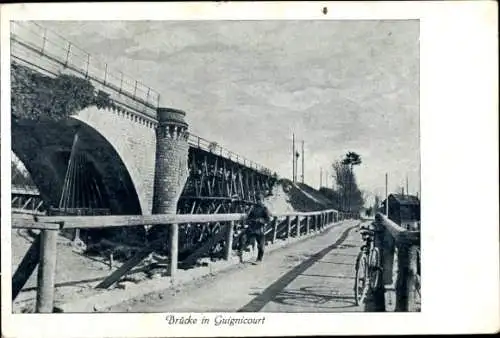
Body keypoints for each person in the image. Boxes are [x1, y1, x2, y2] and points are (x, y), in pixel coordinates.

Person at [238, 193, 271, 263]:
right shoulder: (253, 208)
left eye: (260, 200)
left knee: (261, 247)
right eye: (257, 200)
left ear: (262, 200)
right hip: (252, 228)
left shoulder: (265, 209)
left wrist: (260, 220)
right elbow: (249, 217)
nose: (258, 201)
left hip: (260, 230)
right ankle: (240, 255)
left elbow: (268, 220)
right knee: (243, 237)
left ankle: (259, 259)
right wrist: (248, 219)